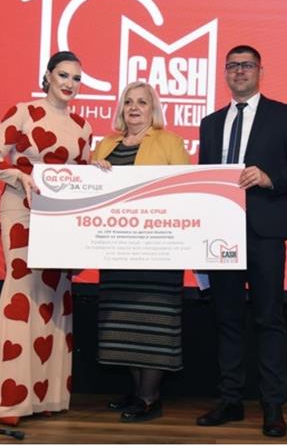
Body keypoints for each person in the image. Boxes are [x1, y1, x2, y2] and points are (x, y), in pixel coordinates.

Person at [0, 51, 92, 427]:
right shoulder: (22, 112)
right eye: (63, 75)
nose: (69, 84)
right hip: (20, 210)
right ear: (47, 76)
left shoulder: (83, 127)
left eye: (76, 78)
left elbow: (83, 177)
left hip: (60, 219)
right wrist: (19, 175)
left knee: (54, 297)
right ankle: (11, 399)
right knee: (21, 291)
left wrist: (99, 169)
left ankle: (46, 395)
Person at [196, 45, 287, 437]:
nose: (239, 71)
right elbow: (203, 178)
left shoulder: (283, 114)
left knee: (268, 319)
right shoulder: (211, 123)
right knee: (227, 320)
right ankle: (230, 400)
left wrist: (269, 178)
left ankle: (273, 407)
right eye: (232, 66)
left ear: (260, 71)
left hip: (265, 233)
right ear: (225, 73)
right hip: (221, 234)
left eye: (247, 65)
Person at [91, 81, 190, 423]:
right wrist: (94, 173)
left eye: (142, 102)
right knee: (124, 324)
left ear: (153, 108)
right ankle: (137, 393)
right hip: (115, 250)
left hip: (157, 251)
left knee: (153, 323)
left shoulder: (170, 141)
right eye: (129, 102)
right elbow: (89, 194)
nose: (134, 107)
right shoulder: (105, 144)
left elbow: (185, 192)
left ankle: (149, 397)